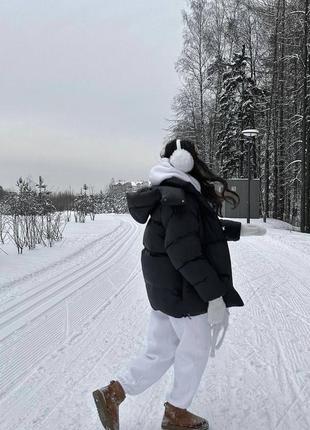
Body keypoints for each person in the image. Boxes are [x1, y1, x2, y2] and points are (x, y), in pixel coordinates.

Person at [92, 139, 267, 430]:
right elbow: (185, 252)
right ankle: (176, 413)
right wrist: (214, 296)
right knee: (194, 351)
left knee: (159, 351)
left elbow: (197, 232)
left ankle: (113, 393)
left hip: (167, 296)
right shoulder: (181, 199)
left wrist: (237, 229)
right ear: (187, 161)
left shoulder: (171, 193)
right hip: (186, 297)